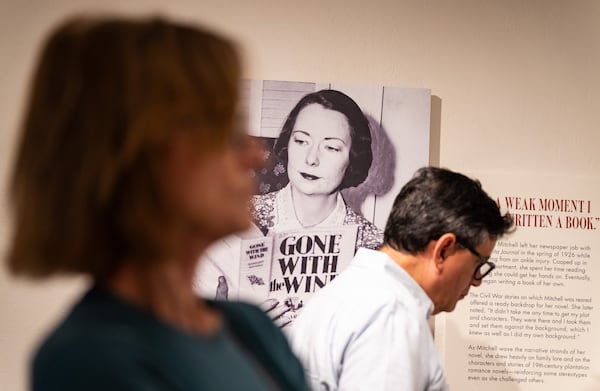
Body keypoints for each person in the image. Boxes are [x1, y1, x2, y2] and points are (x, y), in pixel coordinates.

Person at [7, 16, 310, 390]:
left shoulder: (248, 327)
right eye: (228, 132)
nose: (256, 156)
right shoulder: (87, 360)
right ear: (140, 152)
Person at [289, 166, 514, 391]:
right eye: (478, 264)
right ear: (444, 250)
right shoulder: (391, 314)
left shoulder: (346, 293)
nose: (477, 281)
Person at [251, 89, 383, 250]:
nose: (311, 159)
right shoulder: (236, 217)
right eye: (301, 141)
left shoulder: (373, 246)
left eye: (331, 148)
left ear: (353, 158)